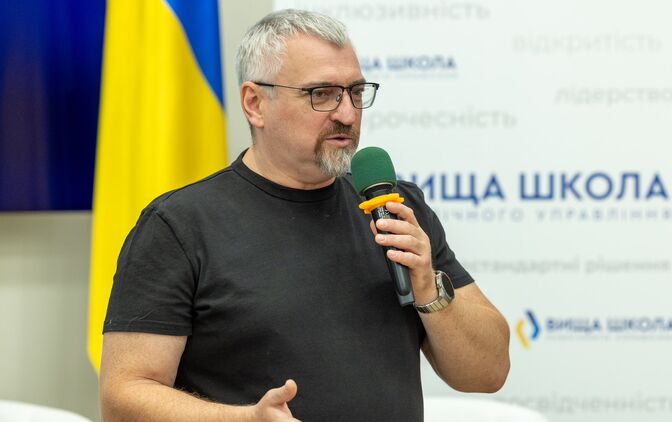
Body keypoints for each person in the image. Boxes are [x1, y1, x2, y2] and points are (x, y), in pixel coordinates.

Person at [99, 9, 510, 422]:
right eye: (322, 94)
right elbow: (123, 397)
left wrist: (428, 287)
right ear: (255, 104)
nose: (347, 114)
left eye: (355, 91)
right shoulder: (180, 226)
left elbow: (488, 372)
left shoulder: (396, 208)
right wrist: (245, 420)